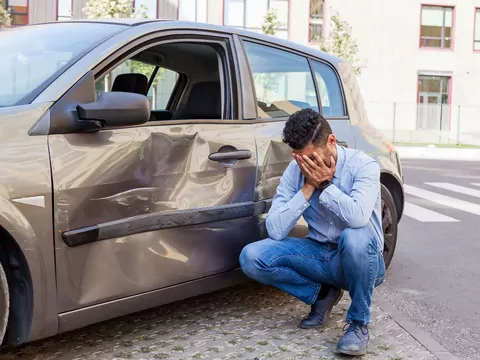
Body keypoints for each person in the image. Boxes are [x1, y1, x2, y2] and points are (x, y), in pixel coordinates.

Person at [239, 108, 386, 356]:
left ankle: (358, 324)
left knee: (355, 237)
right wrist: (308, 187)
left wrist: (326, 185)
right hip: (318, 254)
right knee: (251, 256)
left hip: (359, 260)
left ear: (331, 141)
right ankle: (322, 294)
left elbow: (358, 217)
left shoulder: (363, 166)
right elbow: (275, 229)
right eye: (298, 157)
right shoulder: (296, 170)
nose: (304, 163)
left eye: (309, 157)